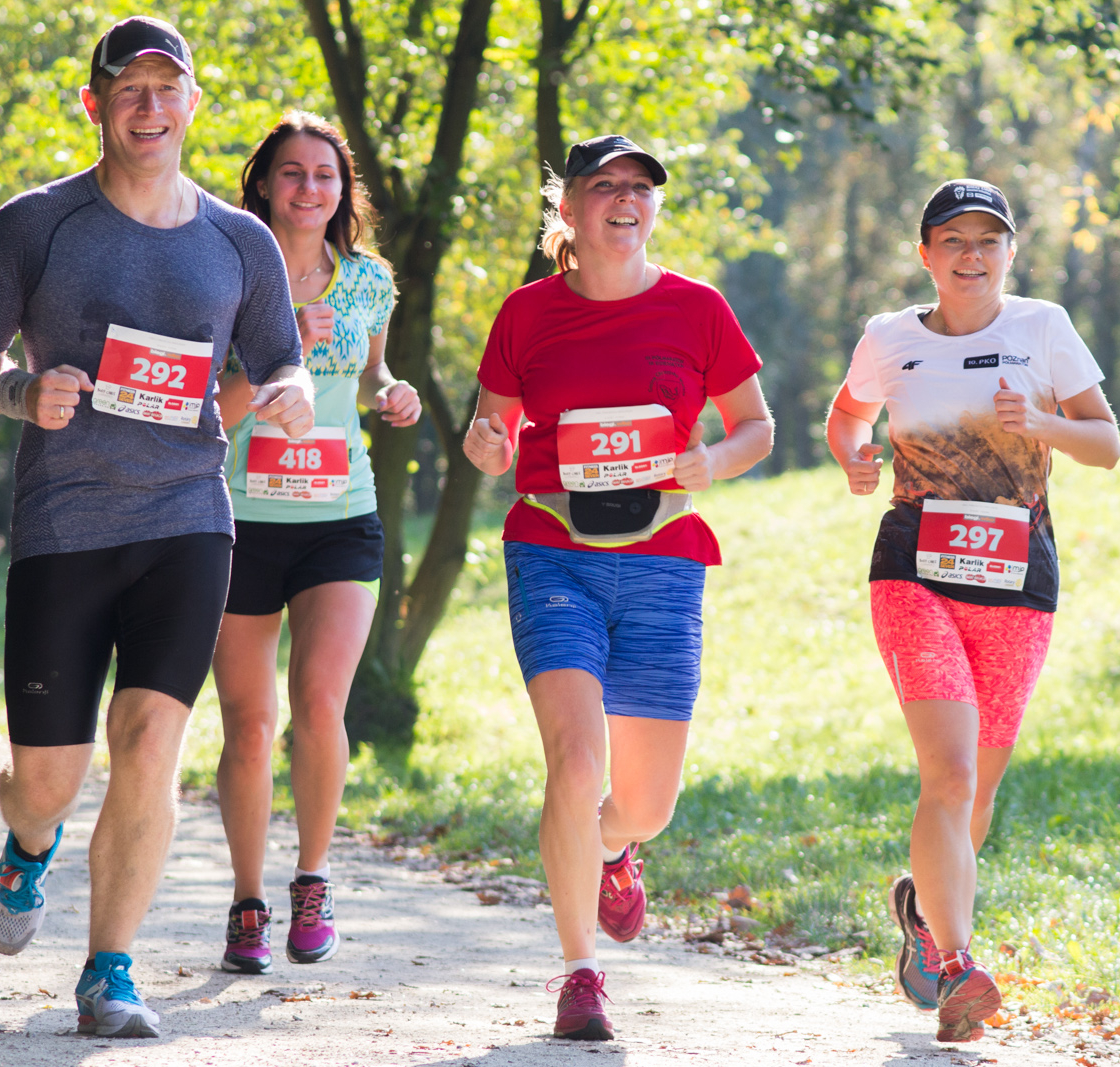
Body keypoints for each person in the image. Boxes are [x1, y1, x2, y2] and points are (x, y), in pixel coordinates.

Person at [0, 17, 313, 1039]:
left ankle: (110, 969)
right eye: (129, 89)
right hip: (64, 525)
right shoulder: (36, 225)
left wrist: (287, 394)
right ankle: (28, 843)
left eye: (168, 87)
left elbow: (276, 355)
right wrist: (20, 391)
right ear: (95, 103)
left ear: (195, 100)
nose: (150, 107)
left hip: (188, 516)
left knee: (150, 737)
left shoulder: (240, 240)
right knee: (47, 780)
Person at [464, 135, 773, 1041]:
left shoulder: (699, 309)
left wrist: (709, 458)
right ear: (568, 210)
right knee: (574, 759)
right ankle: (580, 974)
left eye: (640, 188)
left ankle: (614, 846)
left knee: (645, 802)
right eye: (606, 187)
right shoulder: (527, 313)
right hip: (551, 550)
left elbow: (755, 428)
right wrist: (489, 447)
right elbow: (493, 431)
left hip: (665, 557)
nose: (625, 201)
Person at [825, 179, 1120, 1043]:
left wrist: (1039, 419)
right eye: (952, 239)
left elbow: (1105, 443)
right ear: (926, 255)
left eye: (988, 240)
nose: (971, 254)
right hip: (913, 566)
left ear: (1009, 254)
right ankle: (957, 969)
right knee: (947, 776)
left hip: (1017, 572)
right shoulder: (889, 339)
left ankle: (922, 909)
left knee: (977, 793)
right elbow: (847, 419)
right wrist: (856, 457)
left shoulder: (1043, 328)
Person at [209, 111, 419, 974]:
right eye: (292, 173)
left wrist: (393, 392)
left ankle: (314, 882)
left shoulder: (368, 280)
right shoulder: (221, 271)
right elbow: (207, 413)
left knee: (319, 704)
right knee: (250, 724)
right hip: (238, 519)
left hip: (340, 513)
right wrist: (276, 353)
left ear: (343, 190)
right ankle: (249, 900)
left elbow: (373, 375)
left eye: (325, 176)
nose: (309, 189)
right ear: (263, 183)